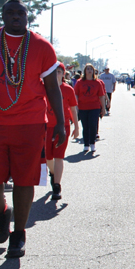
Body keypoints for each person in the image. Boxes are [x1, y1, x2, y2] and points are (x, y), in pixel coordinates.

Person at [0, 0, 66, 257]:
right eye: (10, 13)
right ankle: (2, 210)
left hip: (30, 123)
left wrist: (61, 123)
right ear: (3, 16)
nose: (16, 17)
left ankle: (18, 234)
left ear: (27, 16)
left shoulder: (42, 46)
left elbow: (52, 88)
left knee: (25, 179)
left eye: (20, 13)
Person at [45, 63, 79, 201]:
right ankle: (53, 174)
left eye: (59, 72)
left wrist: (76, 126)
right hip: (46, 127)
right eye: (54, 72)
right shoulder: (44, 88)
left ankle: (57, 186)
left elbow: (73, 109)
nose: (56, 74)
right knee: (48, 157)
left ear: (63, 74)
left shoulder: (68, 89)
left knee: (59, 156)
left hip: (62, 126)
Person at [74, 64, 106, 152]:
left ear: (93, 71)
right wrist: (76, 106)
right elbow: (76, 94)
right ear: (85, 71)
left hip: (94, 107)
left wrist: (103, 108)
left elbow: (101, 96)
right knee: (85, 126)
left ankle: (92, 143)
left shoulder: (97, 83)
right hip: (83, 107)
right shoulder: (80, 82)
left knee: (92, 125)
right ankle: (86, 144)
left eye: (91, 69)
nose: (89, 70)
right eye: (87, 69)